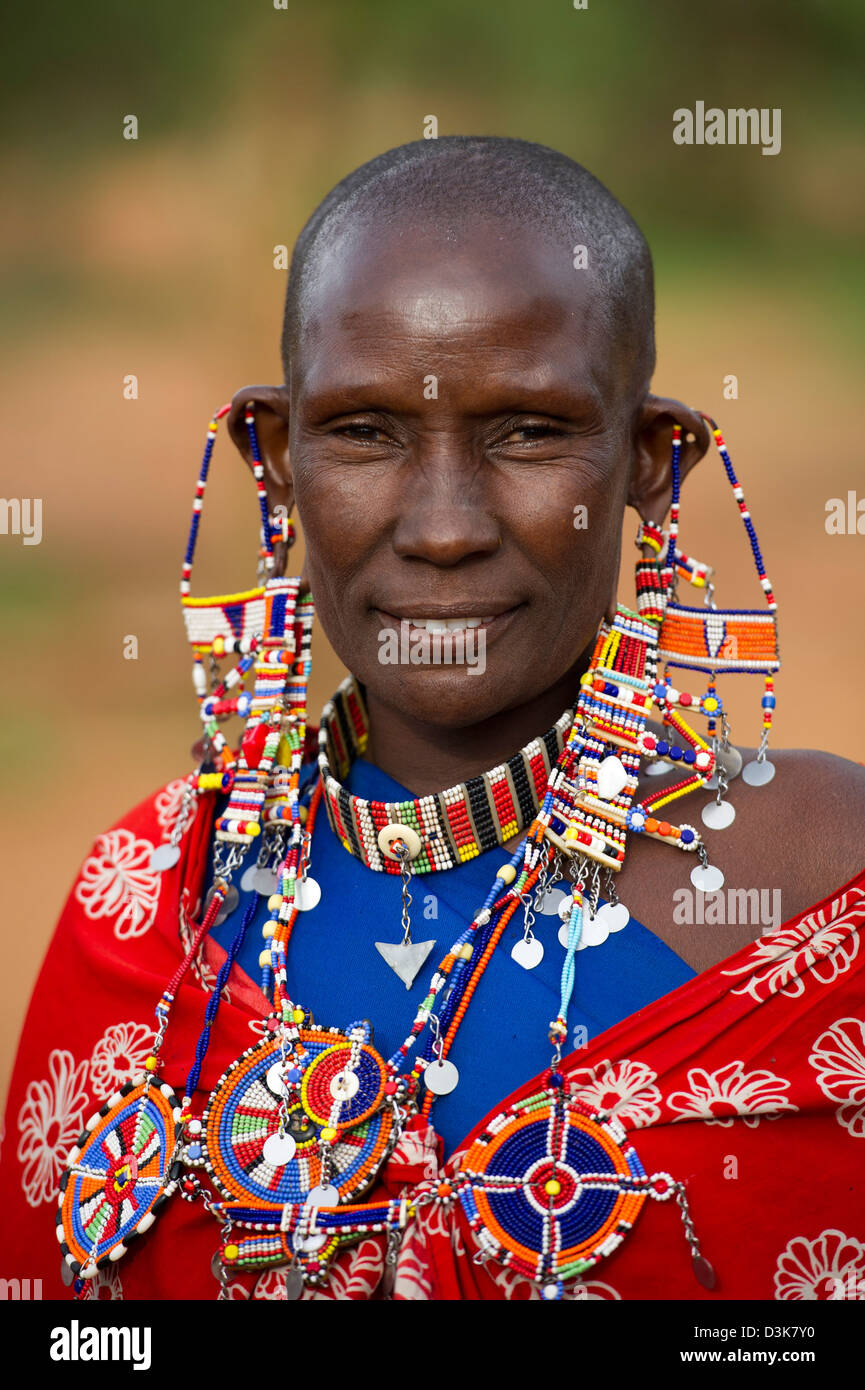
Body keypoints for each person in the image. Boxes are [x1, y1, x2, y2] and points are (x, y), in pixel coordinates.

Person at [2, 136, 863, 1303]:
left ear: (651, 465)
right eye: (364, 431)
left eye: (528, 431)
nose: (443, 527)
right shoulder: (152, 904)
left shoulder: (816, 891)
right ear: (276, 457)